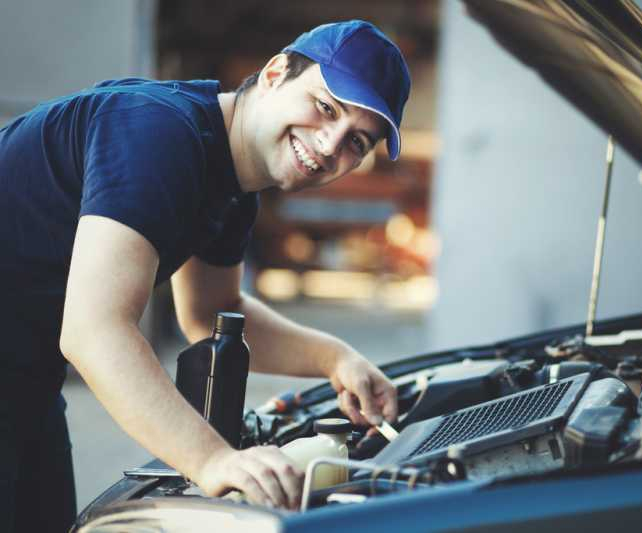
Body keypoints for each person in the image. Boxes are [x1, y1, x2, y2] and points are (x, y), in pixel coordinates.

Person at [0, 19, 411, 531]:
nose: (330, 146)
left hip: (26, 382)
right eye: (325, 107)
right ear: (275, 73)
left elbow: (213, 316)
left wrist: (336, 358)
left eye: (358, 142)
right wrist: (213, 459)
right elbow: (93, 330)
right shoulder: (158, 134)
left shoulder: (232, 187)